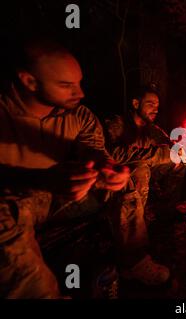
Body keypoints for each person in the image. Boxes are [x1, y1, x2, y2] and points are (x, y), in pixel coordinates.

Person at [0, 38, 158, 298]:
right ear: (29, 81)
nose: (80, 92)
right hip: (16, 201)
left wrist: (107, 169)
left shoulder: (78, 115)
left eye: (80, 83)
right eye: (67, 85)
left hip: (63, 197)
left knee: (132, 177)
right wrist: (40, 179)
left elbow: (95, 149)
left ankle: (134, 261)